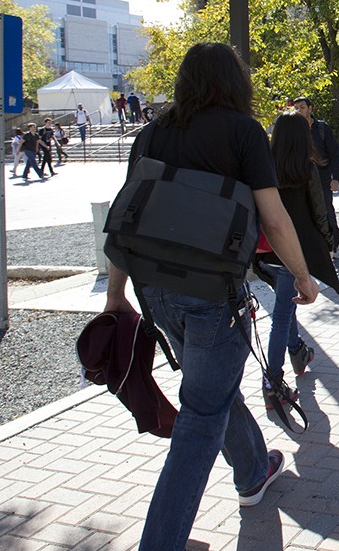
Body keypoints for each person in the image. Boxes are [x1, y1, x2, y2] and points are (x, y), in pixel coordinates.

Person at [103, 42, 319, 550]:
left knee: (210, 390)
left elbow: (128, 220)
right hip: (212, 294)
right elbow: (273, 217)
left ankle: (253, 472)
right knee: (201, 418)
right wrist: (302, 276)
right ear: (234, 82)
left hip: (155, 290)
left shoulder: (152, 132)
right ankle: (160, 542)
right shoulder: (243, 132)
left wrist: (116, 295)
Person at [260, 113, 339, 412]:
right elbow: (319, 210)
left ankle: (297, 351)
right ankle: (272, 380)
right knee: (282, 313)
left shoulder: (264, 167)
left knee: (286, 303)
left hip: (265, 250)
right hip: (293, 249)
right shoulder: (305, 168)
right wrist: (328, 244)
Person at [293, 96, 339, 255]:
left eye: (302, 107)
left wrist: (335, 178)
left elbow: (334, 154)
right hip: (302, 176)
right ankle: (315, 245)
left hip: (322, 175)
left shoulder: (322, 128)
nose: (299, 111)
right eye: (296, 108)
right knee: (306, 210)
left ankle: (334, 244)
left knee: (326, 209)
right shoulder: (294, 129)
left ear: (310, 109)